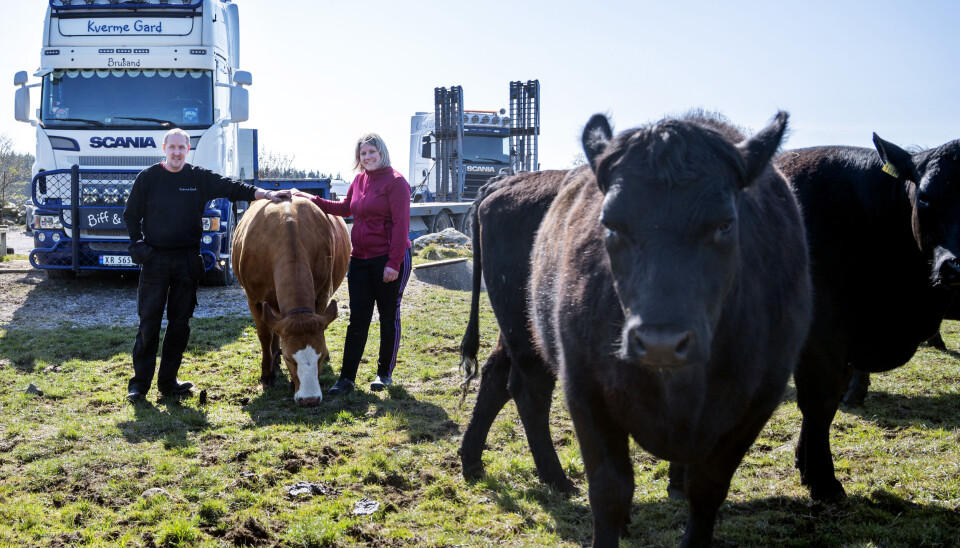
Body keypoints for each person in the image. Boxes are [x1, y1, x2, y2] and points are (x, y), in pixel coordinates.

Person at [123, 127, 289, 403]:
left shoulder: (197, 177)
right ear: (164, 148)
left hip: (187, 260)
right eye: (172, 147)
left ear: (188, 150)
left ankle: (168, 382)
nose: (177, 152)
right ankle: (139, 385)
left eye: (182, 148)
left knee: (180, 324)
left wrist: (264, 194)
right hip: (155, 261)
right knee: (148, 324)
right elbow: (131, 215)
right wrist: (137, 245)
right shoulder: (148, 178)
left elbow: (232, 187)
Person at [292, 132, 412, 395]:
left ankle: (384, 374)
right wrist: (311, 199)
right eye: (363, 154)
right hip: (360, 259)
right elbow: (346, 208)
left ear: (382, 153)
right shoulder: (359, 180)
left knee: (388, 317)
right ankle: (346, 378)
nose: (367, 157)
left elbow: (402, 226)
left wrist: (393, 263)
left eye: (372, 152)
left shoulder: (396, 182)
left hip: (390, 259)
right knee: (358, 318)